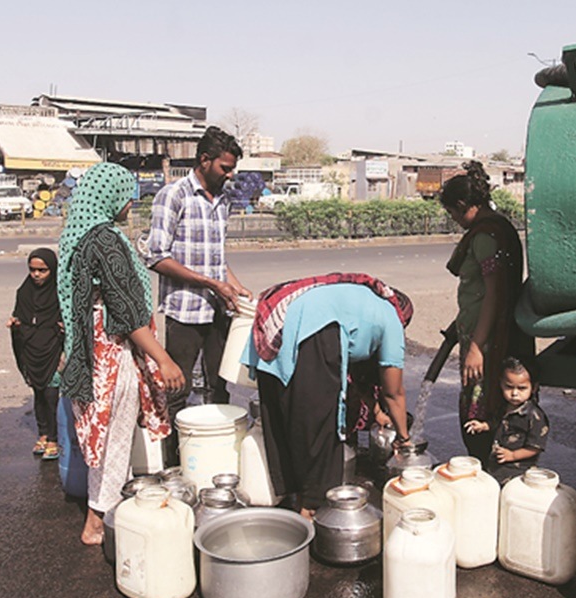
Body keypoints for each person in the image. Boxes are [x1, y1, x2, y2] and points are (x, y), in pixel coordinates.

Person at [58, 163, 185, 545]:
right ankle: (97, 522)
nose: (130, 203)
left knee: (109, 437)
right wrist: (163, 359)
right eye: (127, 195)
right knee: (114, 440)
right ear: (108, 196)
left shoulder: (77, 234)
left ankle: (112, 512)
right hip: (111, 355)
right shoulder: (107, 240)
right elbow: (126, 314)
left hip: (87, 352)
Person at [244, 274, 413, 518]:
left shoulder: (361, 303)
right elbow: (393, 392)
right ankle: (313, 510)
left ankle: (294, 499)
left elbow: (358, 376)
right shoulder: (392, 318)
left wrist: (377, 413)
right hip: (316, 330)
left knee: (285, 416)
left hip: (278, 323)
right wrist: (404, 439)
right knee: (321, 425)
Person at [146, 126, 251, 461]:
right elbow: (156, 257)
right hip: (185, 311)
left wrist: (234, 285)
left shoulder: (223, 200)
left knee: (220, 385)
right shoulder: (174, 195)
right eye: (225, 167)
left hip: (218, 310)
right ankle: (174, 463)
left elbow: (216, 257)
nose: (230, 175)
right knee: (178, 388)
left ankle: (215, 457)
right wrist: (212, 284)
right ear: (204, 160)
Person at [443, 160, 534, 462]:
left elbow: (494, 293)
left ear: (462, 205)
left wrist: (476, 348)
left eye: (453, 213)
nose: (455, 220)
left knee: (482, 399)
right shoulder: (499, 227)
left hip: (487, 339)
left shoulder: (485, 236)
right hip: (485, 329)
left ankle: (484, 463)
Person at [7, 248, 64, 460]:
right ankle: (43, 433)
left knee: (51, 394)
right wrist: (16, 324)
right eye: (32, 270)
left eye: (42, 270)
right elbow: (20, 316)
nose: (36, 275)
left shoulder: (60, 293)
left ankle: (54, 439)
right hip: (31, 350)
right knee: (38, 394)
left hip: (52, 349)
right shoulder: (24, 292)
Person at [464, 357, 549, 484]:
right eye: (509, 387)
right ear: (501, 383)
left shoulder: (534, 416)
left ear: (534, 387)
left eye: (522, 388)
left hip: (518, 471)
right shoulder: (504, 406)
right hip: (497, 465)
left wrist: (512, 455)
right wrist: (484, 425)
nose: (514, 393)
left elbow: (535, 447)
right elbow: (498, 422)